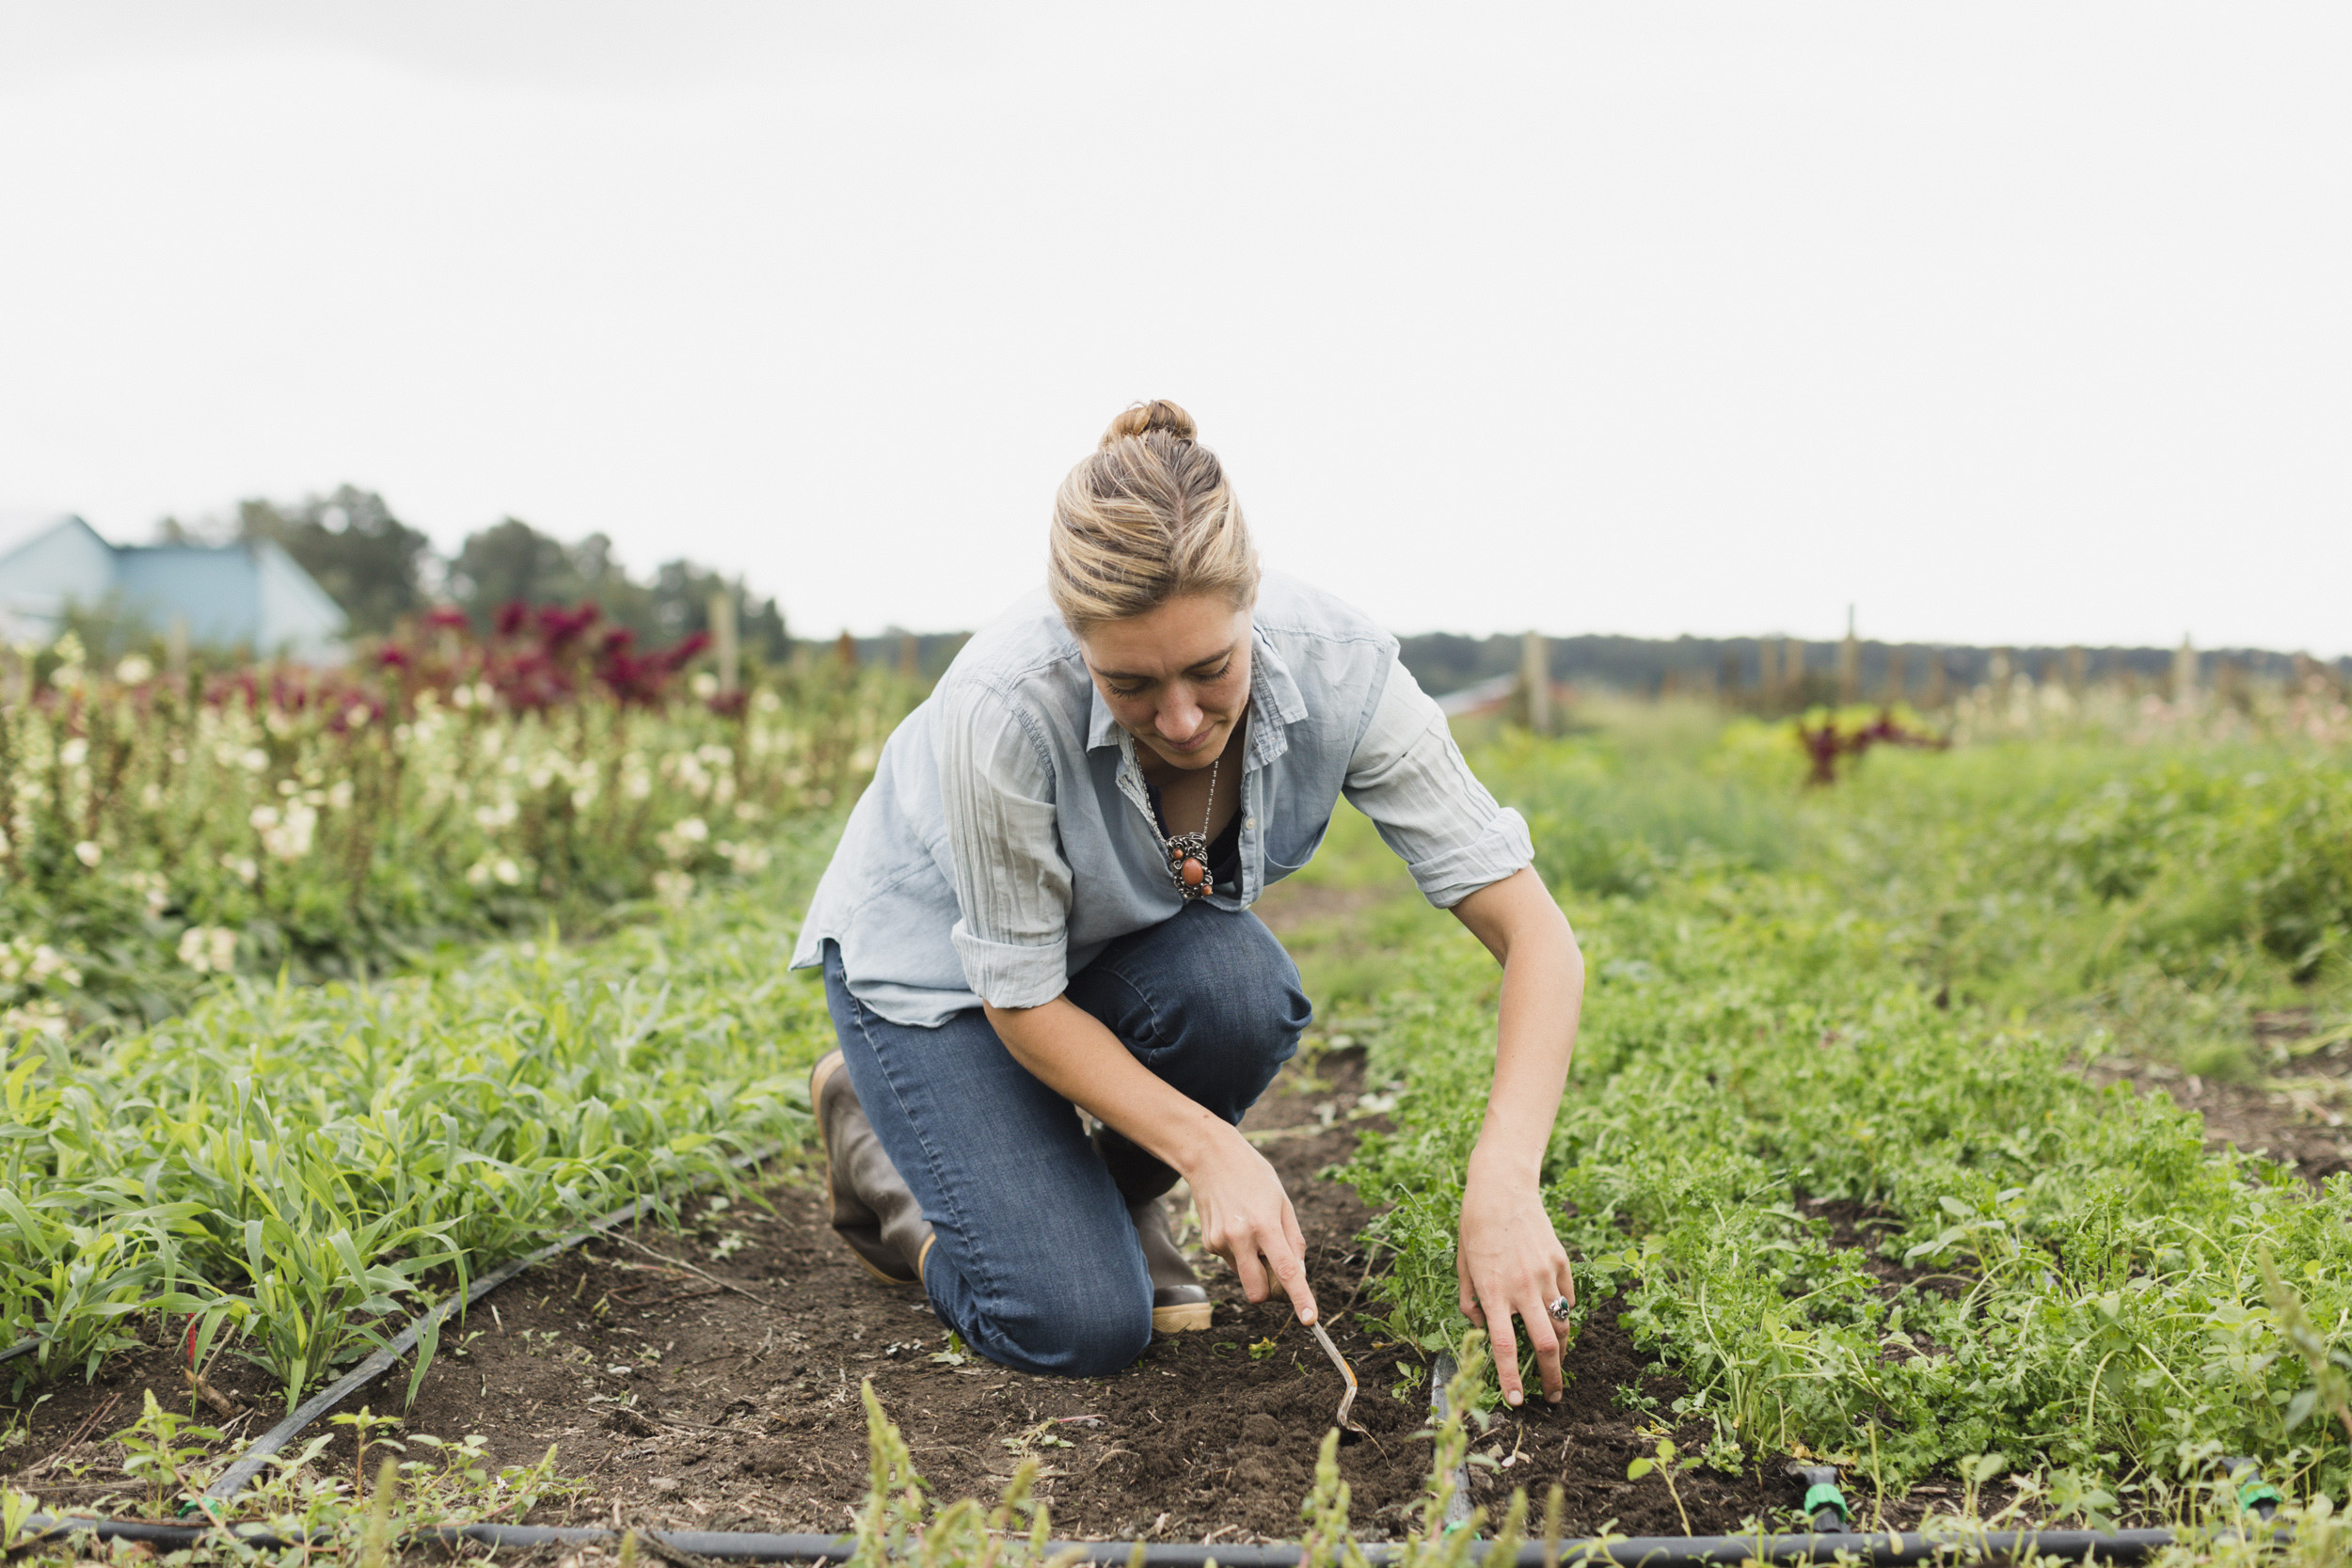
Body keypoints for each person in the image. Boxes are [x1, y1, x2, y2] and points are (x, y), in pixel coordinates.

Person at [789, 401, 1585, 1407]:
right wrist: (1210, 1149)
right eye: (1129, 684)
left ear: (1251, 601)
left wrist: (1506, 1179)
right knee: (1076, 1323)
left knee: (1239, 992)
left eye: (1212, 669)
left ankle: (1106, 1199)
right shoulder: (1002, 703)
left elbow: (1537, 935)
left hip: (1101, 952)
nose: (1178, 719)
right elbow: (1019, 996)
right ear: (1076, 639)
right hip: (938, 979)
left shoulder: (1343, 668)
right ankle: (893, 1170)